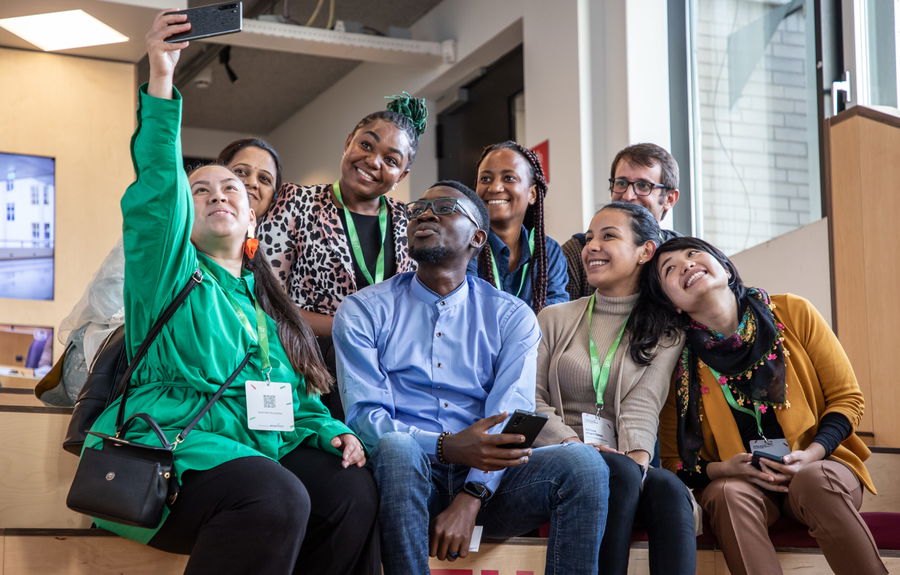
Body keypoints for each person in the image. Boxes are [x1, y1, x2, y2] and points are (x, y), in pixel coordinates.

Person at [81, 12, 380, 574]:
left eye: (233, 190)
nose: (219, 194)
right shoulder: (166, 272)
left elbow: (291, 402)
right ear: (183, 216)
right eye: (202, 190)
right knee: (277, 494)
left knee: (352, 492)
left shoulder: (266, 306)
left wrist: (333, 431)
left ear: (253, 222)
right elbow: (156, 189)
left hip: (252, 449)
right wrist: (162, 77)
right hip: (171, 451)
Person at [334, 180, 609, 575]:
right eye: (417, 210)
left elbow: (510, 421)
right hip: (407, 479)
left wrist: (471, 496)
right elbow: (365, 419)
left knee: (583, 465)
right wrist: (447, 446)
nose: (425, 214)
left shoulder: (511, 316)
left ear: (477, 237)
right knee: (397, 447)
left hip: (490, 484)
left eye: (444, 207)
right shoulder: (364, 310)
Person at [641, 236, 887, 575]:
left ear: (725, 268)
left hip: (821, 466)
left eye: (694, 253)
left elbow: (847, 399)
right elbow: (673, 461)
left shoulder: (793, 312)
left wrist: (813, 453)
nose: (685, 264)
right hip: (747, 486)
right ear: (674, 304)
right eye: (669, 269)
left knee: (813, 481)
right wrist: (724, 469)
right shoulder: (676, 362)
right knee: (725, 493)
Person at [49, 130, 285, 407]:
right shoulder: (164, 249)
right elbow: (109, 298)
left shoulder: (257, 274)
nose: (251, 183)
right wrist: (155, 316)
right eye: (240, 173)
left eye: (264, 179)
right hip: (130, 377)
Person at [533, 202, 695, 575]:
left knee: (669, 489)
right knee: (614, 471)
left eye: (608, 236)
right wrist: (574, 447)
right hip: (555, 456)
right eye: (590, 237)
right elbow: (531, 400)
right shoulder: (553, 318)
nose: (591, 246)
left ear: (645, 251)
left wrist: (637, 459)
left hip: (621, 457)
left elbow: (644, 404)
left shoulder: (666, 331)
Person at [562, 143, 681, 300]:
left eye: (643, 186)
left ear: (669, 199)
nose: (627, 196)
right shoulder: (578, 252)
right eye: (621, 183)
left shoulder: (683, 255)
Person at [467, 140, 568, 313]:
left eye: (509, 178)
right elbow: (466, 315)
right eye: (485, 178)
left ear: (533, 194)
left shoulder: (549, 253)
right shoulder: (465, 246)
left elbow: (555, 322)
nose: (495, 187)